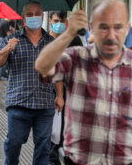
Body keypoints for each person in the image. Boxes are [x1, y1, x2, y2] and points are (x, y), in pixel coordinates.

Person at [35, 0, 132, 165]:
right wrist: (69, 33)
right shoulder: (76, 58)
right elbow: (42, 67)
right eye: (104, 27)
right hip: (81, 160)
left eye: (118, 27)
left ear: (127, 29)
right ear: (92, 27)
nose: (111, 35)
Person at [0, 1, 55, 165]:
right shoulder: (11, 39)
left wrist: (60, 96)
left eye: (37, 13)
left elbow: (59, 73)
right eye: (30, 14)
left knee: (43, 147)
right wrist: (7, 49)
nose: (34, 17)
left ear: (42, 16)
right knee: (13, 144)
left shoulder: (51, 42)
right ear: (24, 17)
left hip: (45, 102)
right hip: (19, 102)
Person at [48, 11, 83, 165]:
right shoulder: (44, 39)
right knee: (50, 134)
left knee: (64, 131)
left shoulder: (73, 39)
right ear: (49, 20)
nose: (59, 24)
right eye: (56, 20)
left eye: (61, 21)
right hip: (47, 93)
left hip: (69, 92)